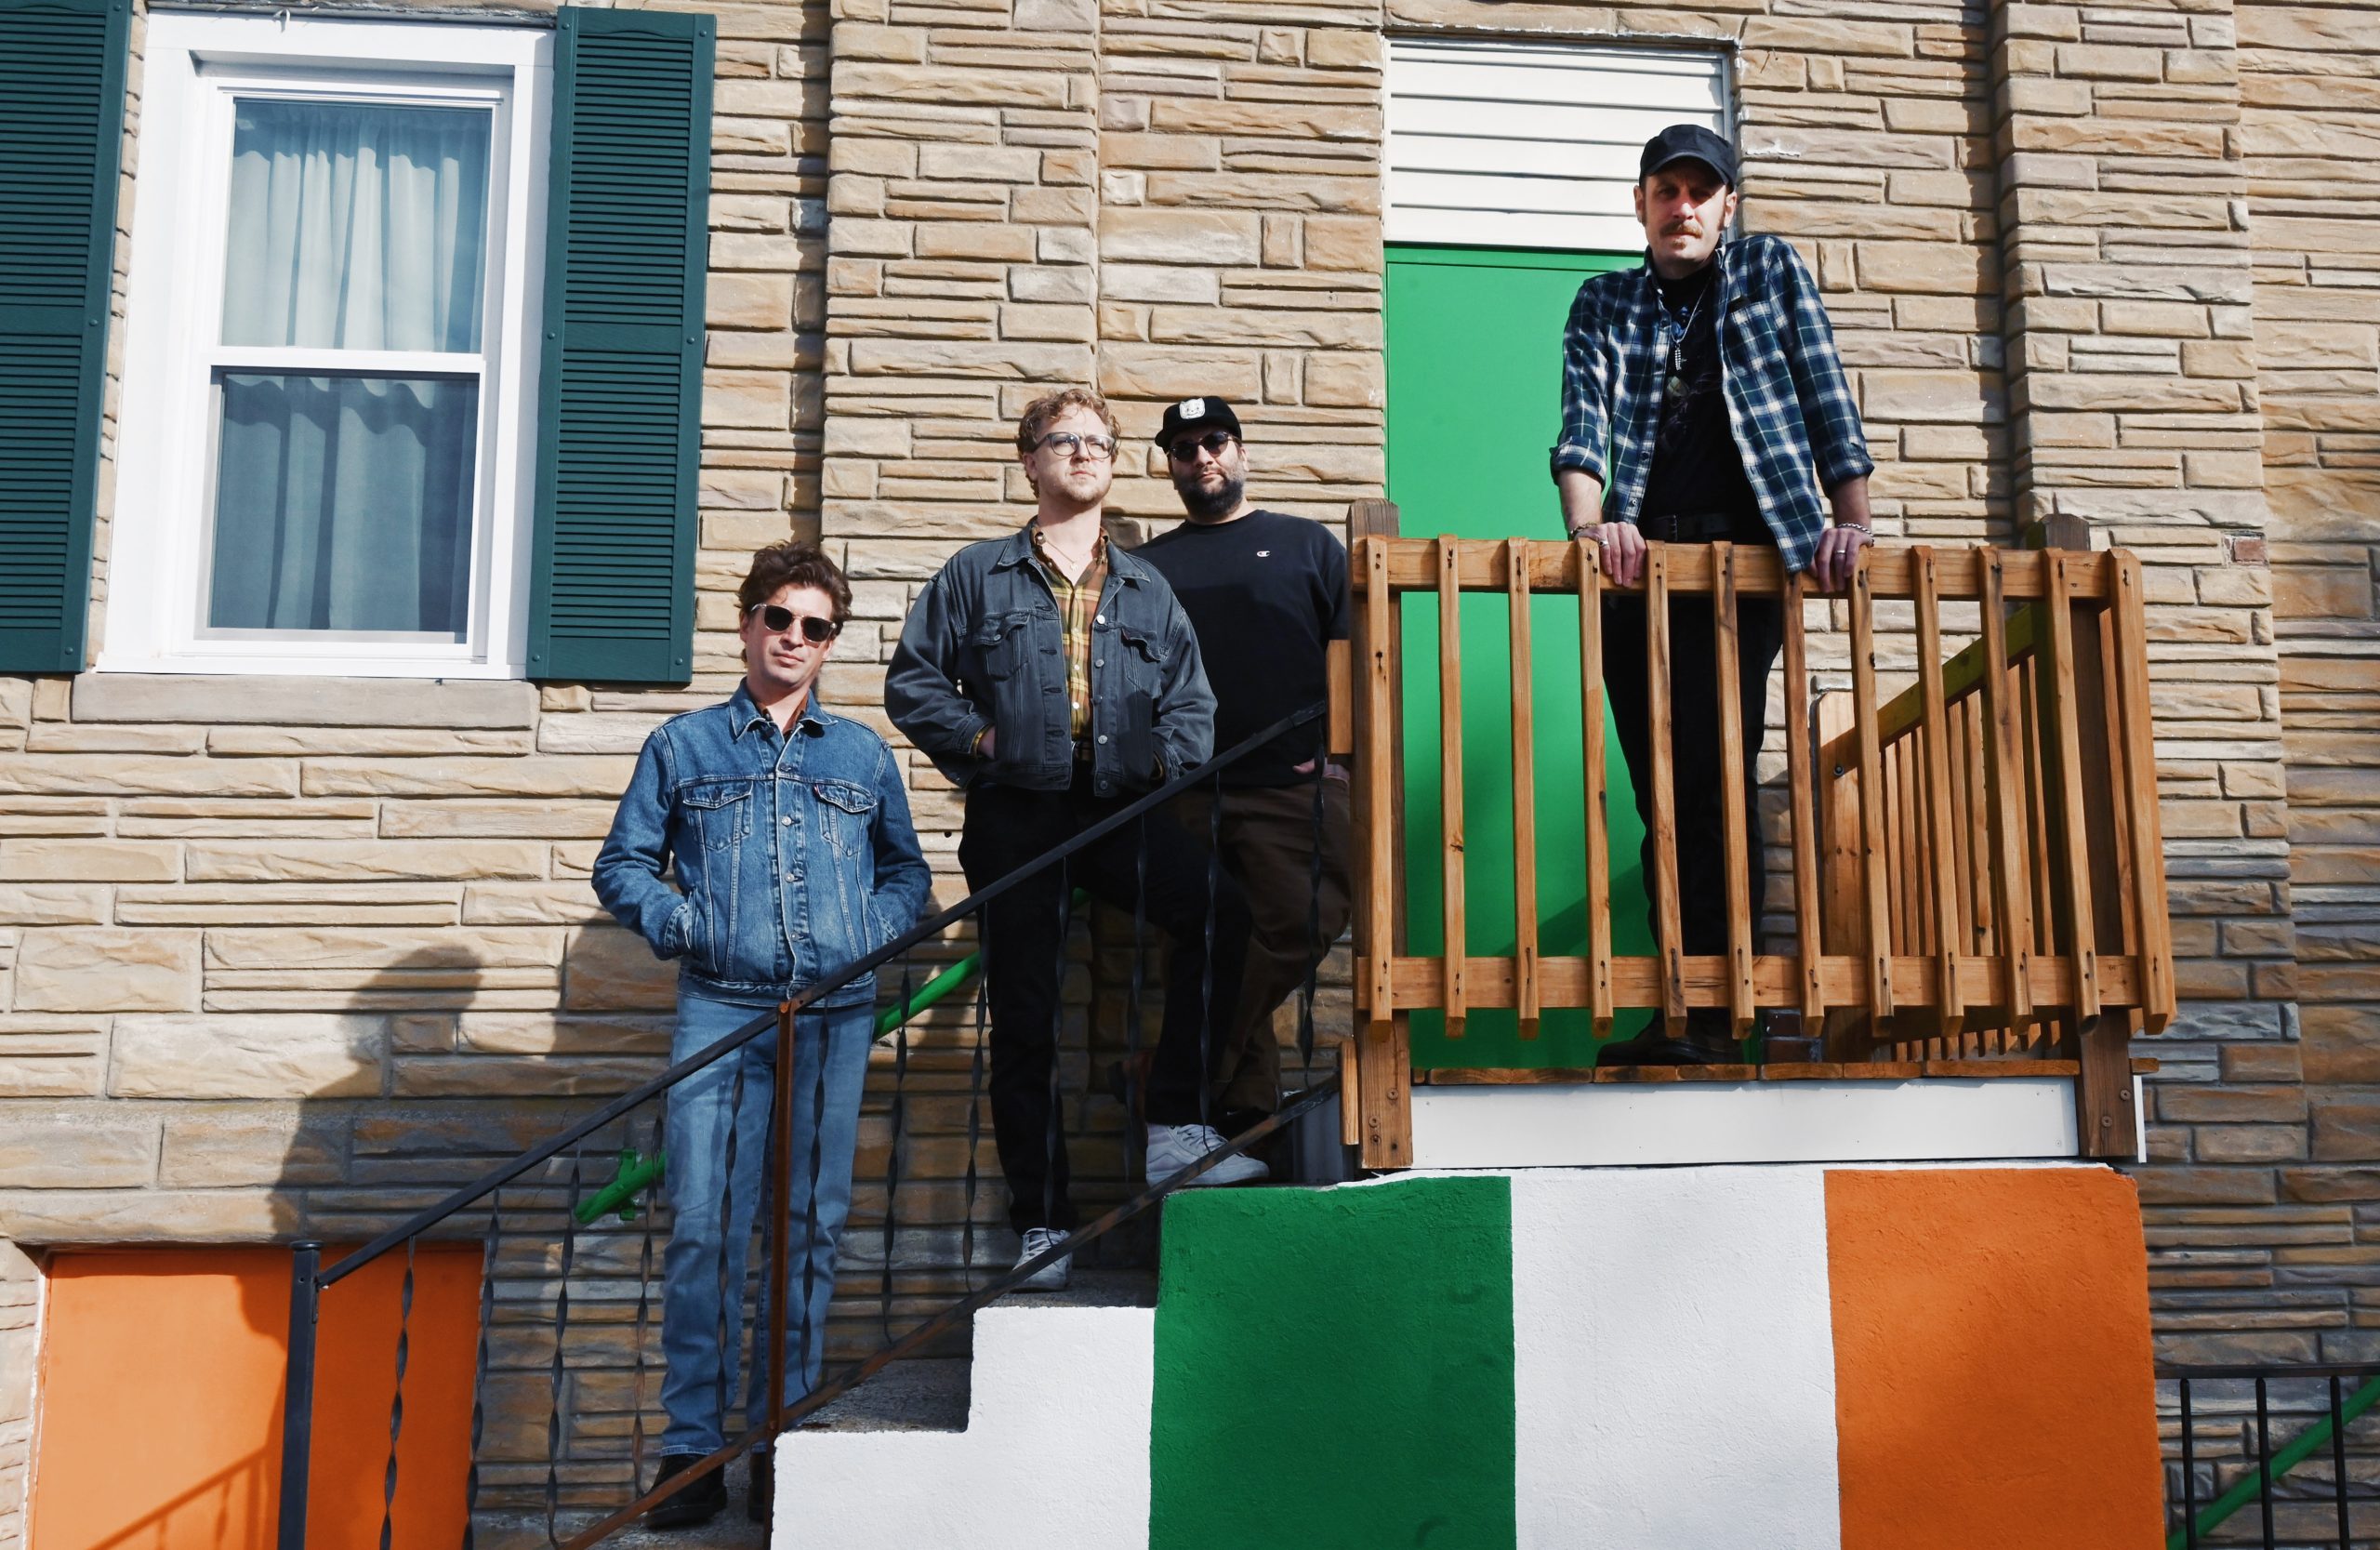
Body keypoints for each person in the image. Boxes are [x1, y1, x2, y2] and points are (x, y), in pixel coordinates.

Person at [885, 387, 1261, 1295]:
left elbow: (1193, 704)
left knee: (1220, 912)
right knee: (1025, 1015)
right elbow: (913, 680)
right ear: (1030, 462)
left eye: (1098, 440)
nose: (1085, 451)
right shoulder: (976, 574)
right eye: (1064, 439)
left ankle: (1174, 1123)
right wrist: (980, 741)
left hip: (1120, 807)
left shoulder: (1145, 586)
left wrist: (1160, 761)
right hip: (1017, 811)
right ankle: (1042, 1223)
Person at [593, 541, 931, 1529]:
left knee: (809, 1225)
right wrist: (686, 924)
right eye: (778, 617)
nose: (793, 637)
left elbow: (906, 874)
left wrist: (864, 933)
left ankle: (783, 1438)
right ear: (746, 624)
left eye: (814, 626)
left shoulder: (861, 755)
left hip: (834, 1015)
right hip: (722, 1007)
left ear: (829, 644)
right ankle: (695, 1448)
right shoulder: (683, 746)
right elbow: (623, 865)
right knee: (706, 1225)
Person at [1549, 124, 1876, 1064]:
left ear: (1727, 206)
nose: (1682, 206)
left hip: (1741, 569)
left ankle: (1726, 1013)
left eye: (1700, 191)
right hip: (1639, 573)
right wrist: (1589, 528)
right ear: (1641, 204)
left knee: (1716, 785)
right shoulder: (1605, 300)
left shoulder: (1767, 271)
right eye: (1666, 190)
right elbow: (1583, 426)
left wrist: (1851, 520)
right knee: (1659, 795)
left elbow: (1824, 394)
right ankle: (1681, 1009)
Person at [1135, 396, 1353, 1133]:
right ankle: (1239, 1116)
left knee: (1300, 920)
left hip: (1293, 782)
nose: (1202, 456)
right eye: (1184, 447)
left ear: (1241, 451)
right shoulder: (1148, 567)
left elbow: (1357, 660)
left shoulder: (1306, 545)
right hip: (1184, 791)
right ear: (1170, 465)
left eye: (1216, 440)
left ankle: (1179, 1068)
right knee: (1203, 942)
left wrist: (1340, 758)